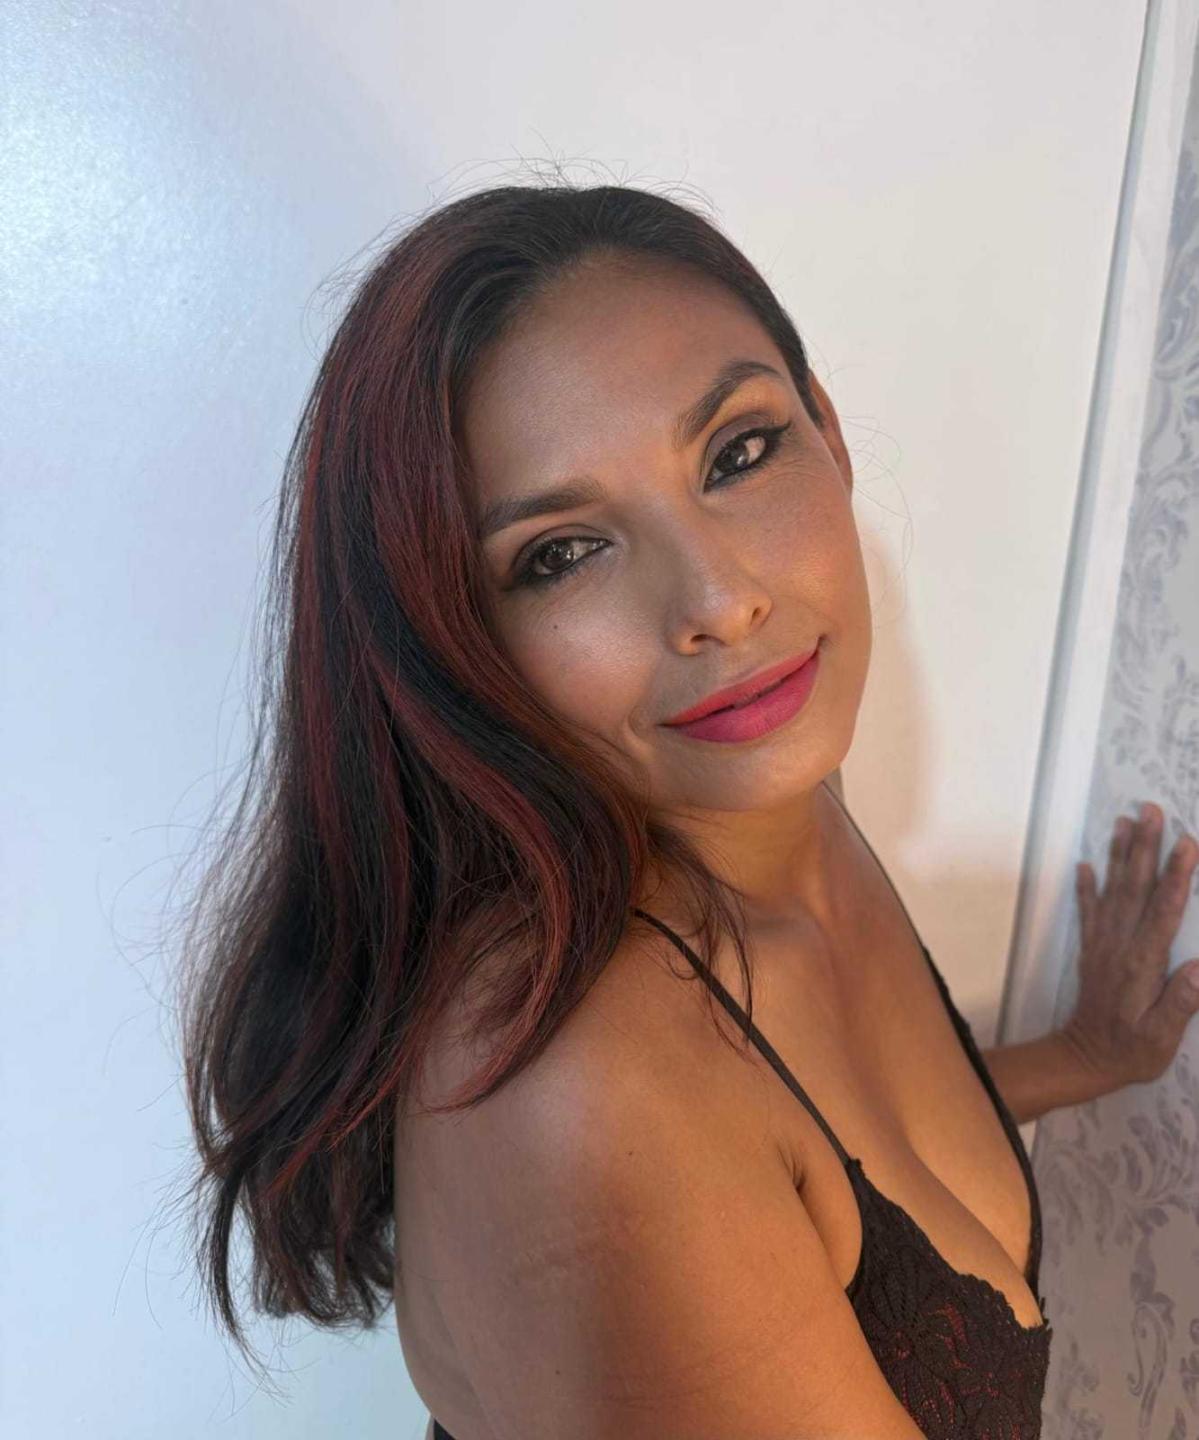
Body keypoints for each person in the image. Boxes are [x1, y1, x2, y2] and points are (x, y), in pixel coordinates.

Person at [177, 180, 1199, 1439]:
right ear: (452, 644)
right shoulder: (594, 1086)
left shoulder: (765, 799)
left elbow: (821, 1185)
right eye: (560, 553)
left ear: (825, 429)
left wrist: (1081, 1061)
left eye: (737, 452)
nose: (718, 601)